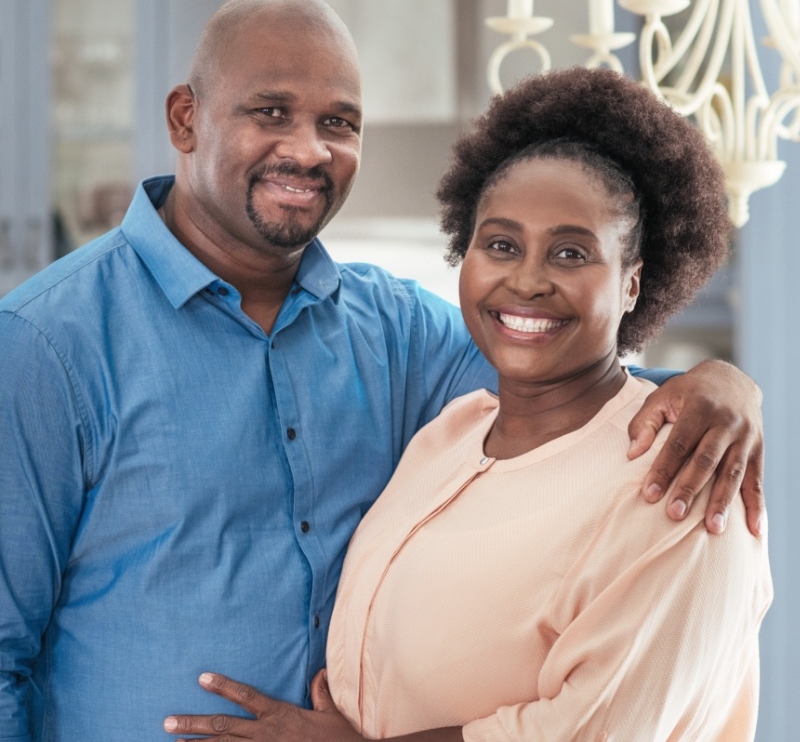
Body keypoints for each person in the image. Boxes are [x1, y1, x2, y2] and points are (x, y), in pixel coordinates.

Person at [0, 0, 762, 742]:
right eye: (270, 112)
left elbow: (559, 384)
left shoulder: (393, 330)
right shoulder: (47, 344)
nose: (307, 149)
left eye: (339, 123)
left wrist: (720, 386)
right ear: (185, 118)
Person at [162, 68, 772, 741]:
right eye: (501, 244)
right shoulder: (454, 432)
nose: (528, 280)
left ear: (633, 283)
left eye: (571, 252)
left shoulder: (681, 494)